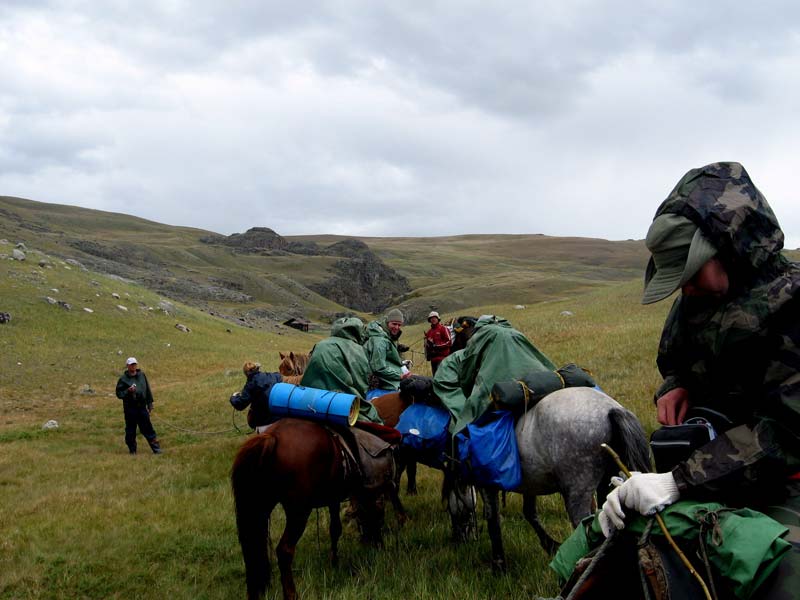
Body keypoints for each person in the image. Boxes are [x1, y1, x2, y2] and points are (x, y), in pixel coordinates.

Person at [599, 162, 800, 594]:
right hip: (714, 469)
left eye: (689, 274)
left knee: (783, 577)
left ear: (727, 247)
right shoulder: (698, 300)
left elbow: (787, 434)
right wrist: (674, 385)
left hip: (786, 481)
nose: (685, 289)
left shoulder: (793, 306)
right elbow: (676, 360)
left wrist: (678, 481)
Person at [433, 314, 557, 434]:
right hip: (543, 381)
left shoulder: (472, 346)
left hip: (502, 393)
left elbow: (459, 379)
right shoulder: (512, 332)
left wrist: (465, 416)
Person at [301, 316, 383, 423]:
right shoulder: (357, 350)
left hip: (310, 398)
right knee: (374, 419)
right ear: (358, 332)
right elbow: (360, 383)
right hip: (340, 399)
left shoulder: (320, 344)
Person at [115, 357, 162, 454]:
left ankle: (156, 449)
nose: (133, 366)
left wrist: (150, 403)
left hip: (142, 407)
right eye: (131, 365)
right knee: (131, 430)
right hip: (130, 409)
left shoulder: (142, 375)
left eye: (135, 364)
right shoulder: (123, 379)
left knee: (148, 428)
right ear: (127, 366)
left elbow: (147, 390)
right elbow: (119, 394)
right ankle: (132, 450)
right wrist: (128, 391)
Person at [363, 308, 408, 401]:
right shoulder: (380, 340)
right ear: (387, 322)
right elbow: (378, 367)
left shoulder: (385, 335)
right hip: (378, 381)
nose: (397, 327)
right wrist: (399, 376)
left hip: (385, 374)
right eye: (394, 324)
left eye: (399, 325)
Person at [230, 362, 282, 432]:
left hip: (263, 423)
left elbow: (240, 404)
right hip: (280, 419)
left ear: (246, 374)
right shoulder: (273, 376)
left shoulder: (250, 384)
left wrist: (233, 397)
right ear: (258, 369)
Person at [424, 311, 451, 375]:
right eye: (431, 318)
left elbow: (449, 342)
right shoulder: (429, 332)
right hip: (433, 360)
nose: (433, 319)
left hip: (442, 358)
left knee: (442, 377)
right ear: (429, 320)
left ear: (438, 319)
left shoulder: (443, 329)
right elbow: (427, 346)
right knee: (435, 379)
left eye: (435, 318)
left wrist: (436, 345)